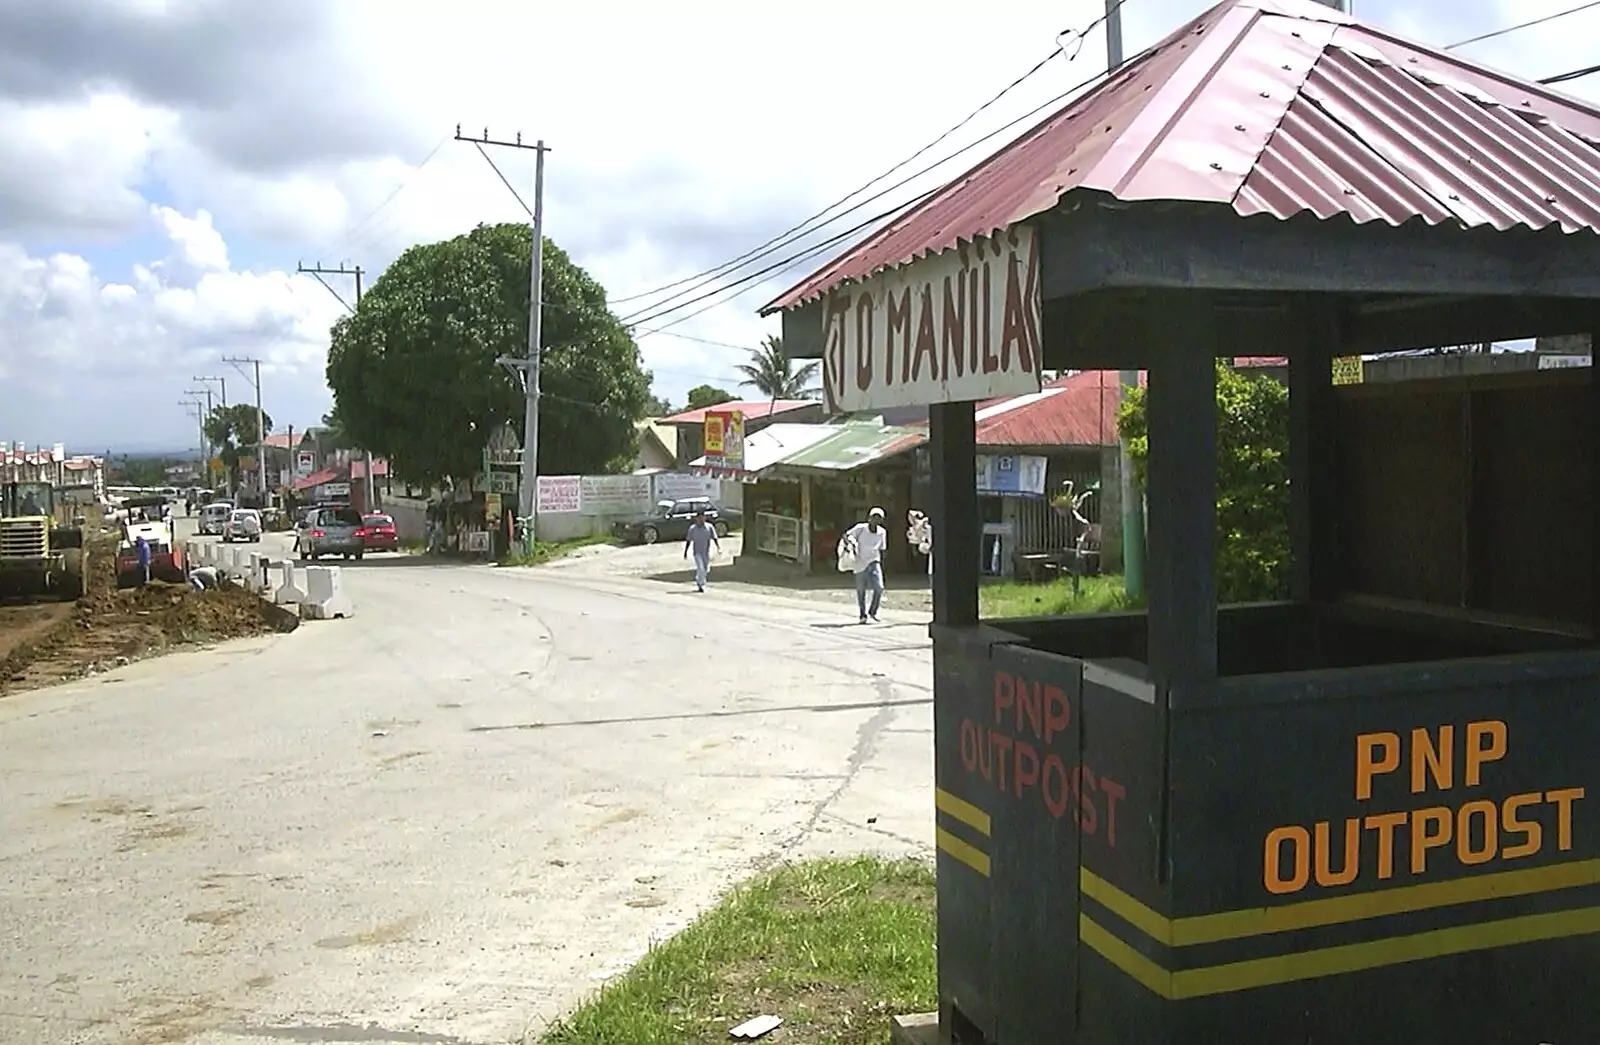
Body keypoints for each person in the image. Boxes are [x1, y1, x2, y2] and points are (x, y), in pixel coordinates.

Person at [841, 506, 889, 623]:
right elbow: (846, 535)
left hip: (874, 561)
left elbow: (883, 548)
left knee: (879, 587)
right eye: (874, 517)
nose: (876, 520)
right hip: (860, 562)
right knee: (861, 590)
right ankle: (862, 614)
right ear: (869, 518)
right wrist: (851, 546)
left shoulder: (882, 532)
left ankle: (873, 612)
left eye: (879, 518)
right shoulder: (860, 528)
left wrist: (882, 561)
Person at [683, 511, 721, 593]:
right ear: (696, 519)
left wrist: (718, 547)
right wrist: (685, 552)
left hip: (706, 552)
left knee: (706, 569)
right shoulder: (693, 529)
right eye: (699, 518)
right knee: (700, 568)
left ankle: (699, 579)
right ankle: (701, 584)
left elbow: (714, 538)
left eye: (703, 517)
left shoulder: (709, 527)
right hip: (697, 552)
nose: (701, 519)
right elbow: (689, 540)